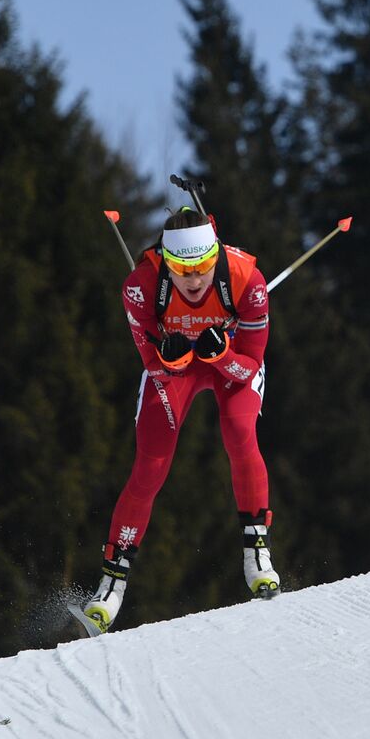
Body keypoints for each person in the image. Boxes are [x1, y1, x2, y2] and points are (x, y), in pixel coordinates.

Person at [78, 207, 279, 635]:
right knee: (150, 466)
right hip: (178, 369)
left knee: (241, 434)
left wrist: (220, 354)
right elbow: (152, 364)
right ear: (166, 263)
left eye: (204, 266)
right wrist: (172, 359)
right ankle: (111, 583)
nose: (194, 279)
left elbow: (251, 364)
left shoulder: (247, 280)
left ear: (216, 256)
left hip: (229, 363)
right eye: (183, 269)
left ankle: (257, 551)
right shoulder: (140, 287)